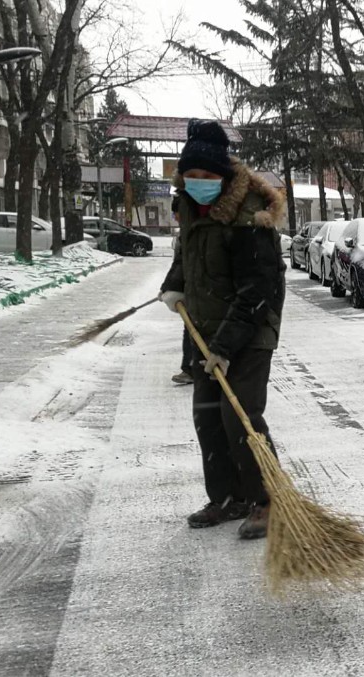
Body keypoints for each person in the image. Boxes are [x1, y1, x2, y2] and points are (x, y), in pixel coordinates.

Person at [158, 119, 286, 540]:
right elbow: (187, 256)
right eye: (191, 176)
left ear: (225, 176)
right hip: (205, 325)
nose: (198, 183)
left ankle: (267, 501)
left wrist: (227, 346)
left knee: (240, 417)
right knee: (208, 417)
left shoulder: (251, 216)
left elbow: (258, 288)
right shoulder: (191, 209)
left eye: (207, 176)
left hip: (251, 327)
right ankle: (227, 497)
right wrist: (174, 287)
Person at [169, 196, 193, 386]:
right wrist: (169, 287)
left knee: (193, 329)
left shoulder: (193, 231)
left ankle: (191, 368)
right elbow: (179, 263)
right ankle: (190, 368)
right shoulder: (187, 231)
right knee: (191, 328)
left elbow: (184, 262)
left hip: (199, 290)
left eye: (176, 214)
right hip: (192, 289)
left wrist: (173, 286)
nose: (175, 218)